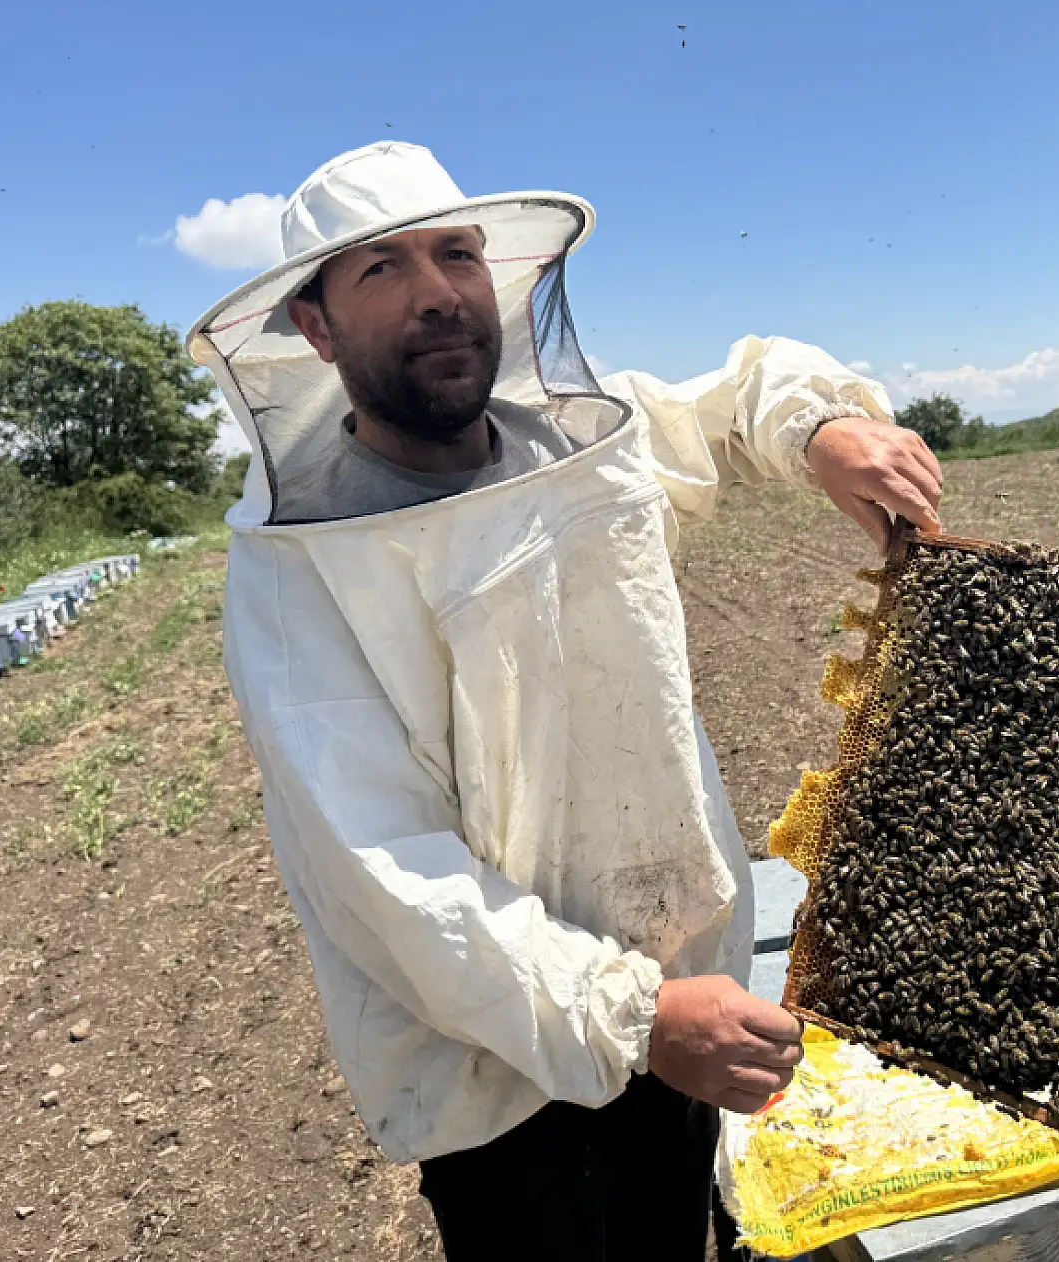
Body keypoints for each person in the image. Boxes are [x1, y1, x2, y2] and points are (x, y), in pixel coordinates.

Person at [189, 140, 943, 1261]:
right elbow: (384, 870)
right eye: (382, 271)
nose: (439, 292)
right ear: (314, 326)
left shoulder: (585, 446)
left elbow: (735, 398)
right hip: (495, 1073)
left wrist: (822, 428)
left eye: (455, 255)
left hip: (685, 993)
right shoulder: (299, 576)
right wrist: (628, 1016)